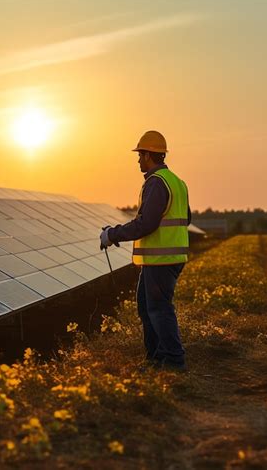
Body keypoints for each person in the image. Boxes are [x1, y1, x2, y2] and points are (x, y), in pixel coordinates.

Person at [100, 130, 191, 371]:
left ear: (149, 155)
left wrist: (112, 234)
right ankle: (156, 359)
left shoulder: (156, 183)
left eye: (140, 155)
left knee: (159, 309)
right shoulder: (177, 182)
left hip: (161, 259)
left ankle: (173, 361)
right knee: (146, 307)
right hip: (166, 258)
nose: (138, 160)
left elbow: (146, 223)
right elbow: (187, 217)